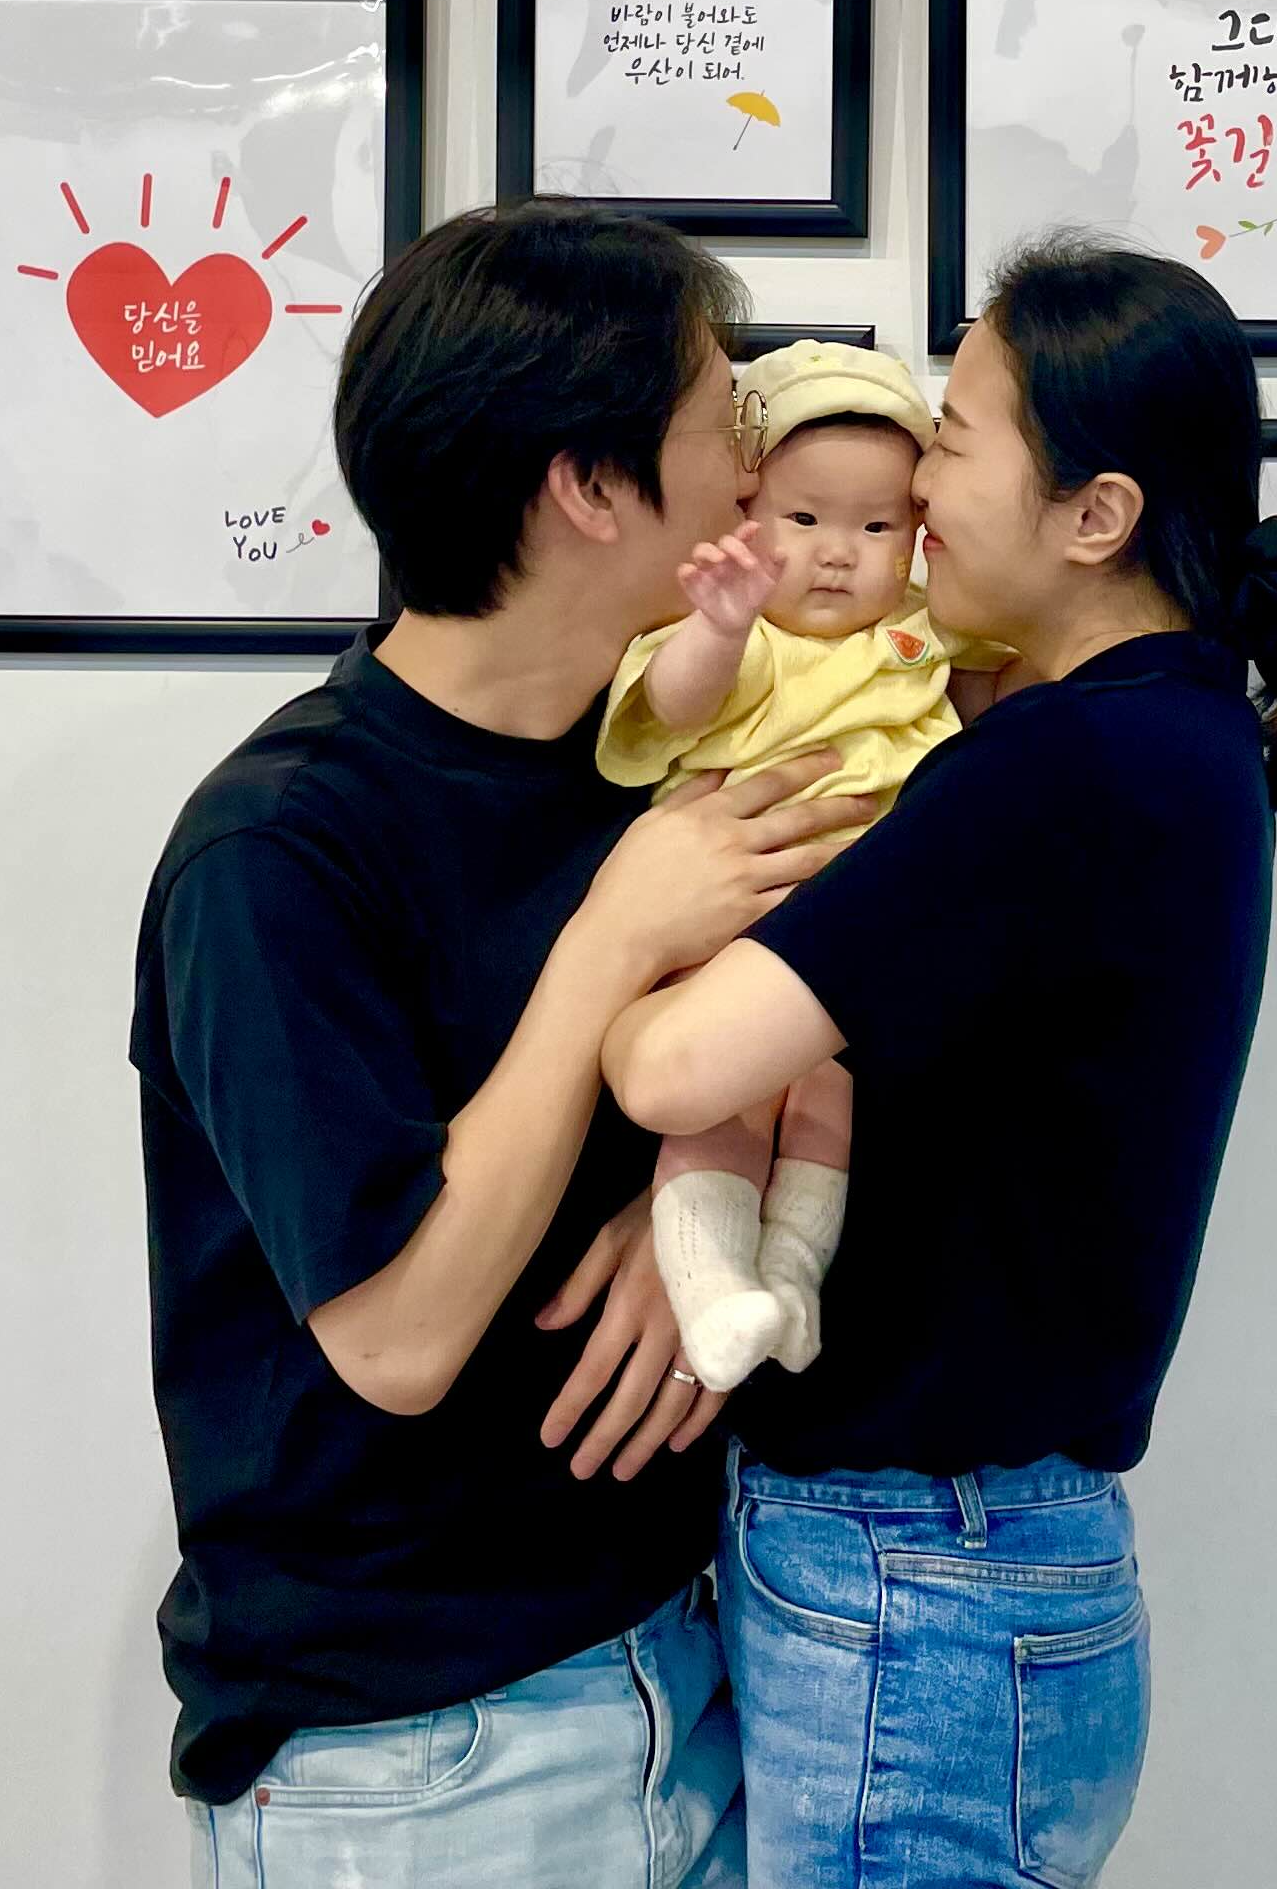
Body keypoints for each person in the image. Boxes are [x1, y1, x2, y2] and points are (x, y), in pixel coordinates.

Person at [132, 201, 878, 1888]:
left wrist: (682, 1206)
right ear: (589, 486)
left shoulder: (667, 747)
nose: (754, 457)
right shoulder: (278, 849)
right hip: (418, 1747)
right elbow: (396, 1335)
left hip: (691, 1644)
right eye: (719, 417)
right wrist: (613, 935)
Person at [600, 231, 1277, 1889]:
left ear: (1095, 514)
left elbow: (674, 1073)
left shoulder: (1066, 762)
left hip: (917, 1567)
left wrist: (625, 931)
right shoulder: (1165, 730)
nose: (917, 482)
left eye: (952, 433)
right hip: (968, 1563)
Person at [597, 341, 1006, 1397]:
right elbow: (670, 706)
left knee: (826, 1103)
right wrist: (722, 623)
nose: (837, 555)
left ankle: (789, 1277)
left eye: (877, 527)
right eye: (805, 519)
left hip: (855, 949)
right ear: (746, 513)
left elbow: (1001, 678)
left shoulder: (919, 630)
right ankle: (713, 1286)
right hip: (735, 919)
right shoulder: (734, 636)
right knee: (725, 1105)